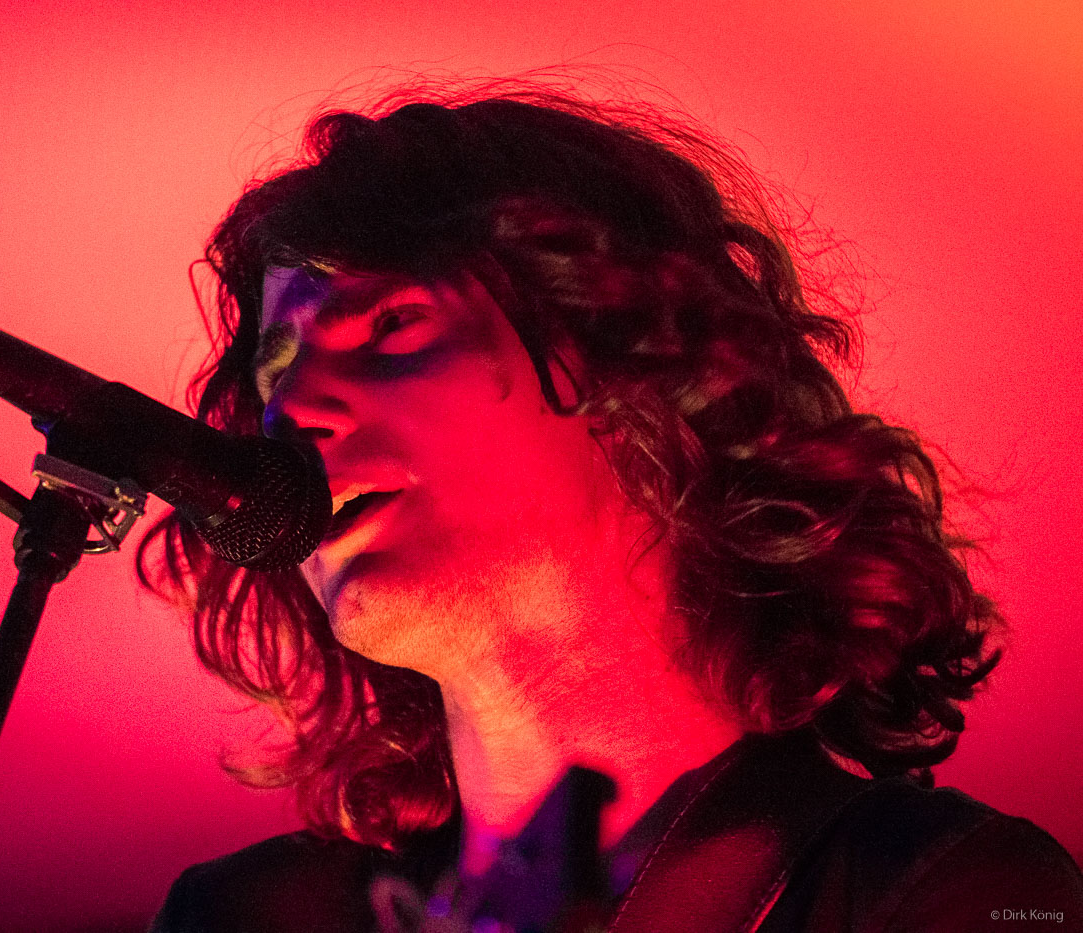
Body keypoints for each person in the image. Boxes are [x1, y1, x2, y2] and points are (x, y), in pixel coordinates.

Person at [142, 86, 1083, 931]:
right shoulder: (253, 915)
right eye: (274, 372)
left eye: (393, 324)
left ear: (640, 372)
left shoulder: (949, 890)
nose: (291, 411)